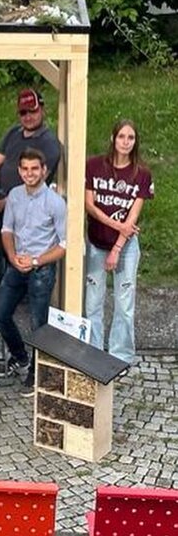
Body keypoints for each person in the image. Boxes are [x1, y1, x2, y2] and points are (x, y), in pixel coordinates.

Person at [0, 148, 66, 393]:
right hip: (16, 264)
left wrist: (36, 261)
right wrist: (12, 257)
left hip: (41, 269)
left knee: (38, 324)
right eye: (25, 168)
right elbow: (6, 230)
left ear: (44, 170)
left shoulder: (55, 202)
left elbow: (65, 244)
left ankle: (36, 373)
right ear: (20, 170)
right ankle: (21, 357)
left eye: (35, 168)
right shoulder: (14, 195)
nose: (30, 173)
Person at [84, 120, 154, 363]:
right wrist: (117, 226)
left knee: (124, 303)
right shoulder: (93, 165)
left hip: (125, 247)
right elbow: (89, 206)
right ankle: (92, 351)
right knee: (93, 301)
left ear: (135, 142)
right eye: (121, 136)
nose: (125, 141)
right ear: (113, 138)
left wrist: (116, 248)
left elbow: (133, 217)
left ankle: (120, 355)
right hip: (95, 241)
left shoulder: (142, 174)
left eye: (131, 137)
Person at [0, 88, 63, 289]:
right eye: (23, 113)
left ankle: (17, 288)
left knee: (14, 248)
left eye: (32, 111)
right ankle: (0, 287)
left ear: (42, 110)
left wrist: (3, 203)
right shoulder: (12, 133)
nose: (28, 117)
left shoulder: (49, 143)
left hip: (24, 203)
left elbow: (34, 179)